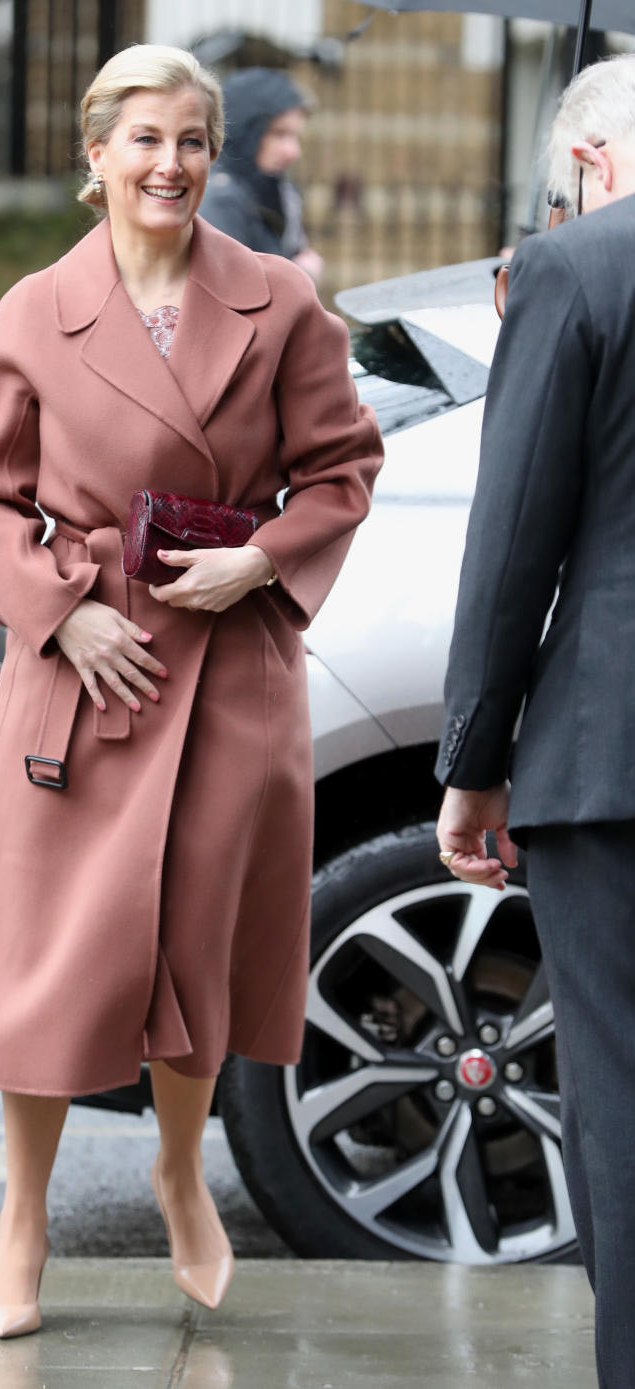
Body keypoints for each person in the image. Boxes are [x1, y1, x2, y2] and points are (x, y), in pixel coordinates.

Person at [0, 43, 382, 1339]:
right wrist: (60, 614)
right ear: (96, 155)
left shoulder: (279, 302)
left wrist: (260, 556)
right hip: (82, 680)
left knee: (194, 949)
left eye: (192, 139)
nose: (172, 163)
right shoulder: (35, 311)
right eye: (144, 139)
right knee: (47, 966)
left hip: (229, 673)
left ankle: (181, 1168)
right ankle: (22, 1225)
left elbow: (343, 468)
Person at [434, 53, 635, 1389]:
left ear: (588, 161)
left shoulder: (578, 270)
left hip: (612, 755)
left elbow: (515, 544)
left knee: (624, 1107)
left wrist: (474, 760)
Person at [198, 66, 323, 281]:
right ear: (246, 130)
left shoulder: (271, 188)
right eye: (279, 134)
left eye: (294, 136)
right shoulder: (220, 195)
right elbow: (233, 288)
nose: (293, 152)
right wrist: (301, 273)